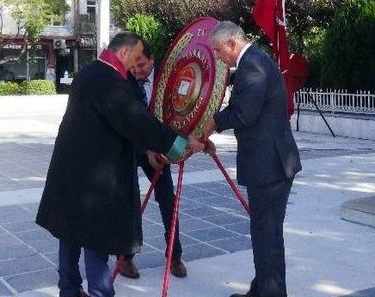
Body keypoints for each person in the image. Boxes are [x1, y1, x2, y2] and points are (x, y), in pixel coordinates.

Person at [36, 32, 204, 297]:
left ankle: (69, 290)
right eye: (135, 58)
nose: (135, 66)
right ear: (124, 53)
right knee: (95, 239)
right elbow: (139, 124)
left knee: (69, 234)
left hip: (69, 171)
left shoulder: (89, 73)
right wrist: (181, 143)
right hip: (94, 178)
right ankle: (99, 292)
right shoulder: (110, 82)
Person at [203, 21, 302, 297]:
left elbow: (244, 113)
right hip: (269, 162)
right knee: (264, 233)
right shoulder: (253, 62)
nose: (218, 56)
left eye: (218, 50)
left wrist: (214, 121)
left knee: (267, 235)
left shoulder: (253, 65)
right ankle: (261, 290)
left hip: (270, 166)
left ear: (232, 44)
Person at [118, 43, 187, 279]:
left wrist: (176, 146)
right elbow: (127, 120)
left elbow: (180, 112)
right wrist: (145, 148)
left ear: (153, 59)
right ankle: (126, 257)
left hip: (159, 149)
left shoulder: (168, 79)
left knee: (168, 199)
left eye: (143, 65)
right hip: (130, 147)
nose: (137, 70)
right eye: (134, 66)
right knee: (129, 201)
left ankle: (175, 255)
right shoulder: (123, 80)